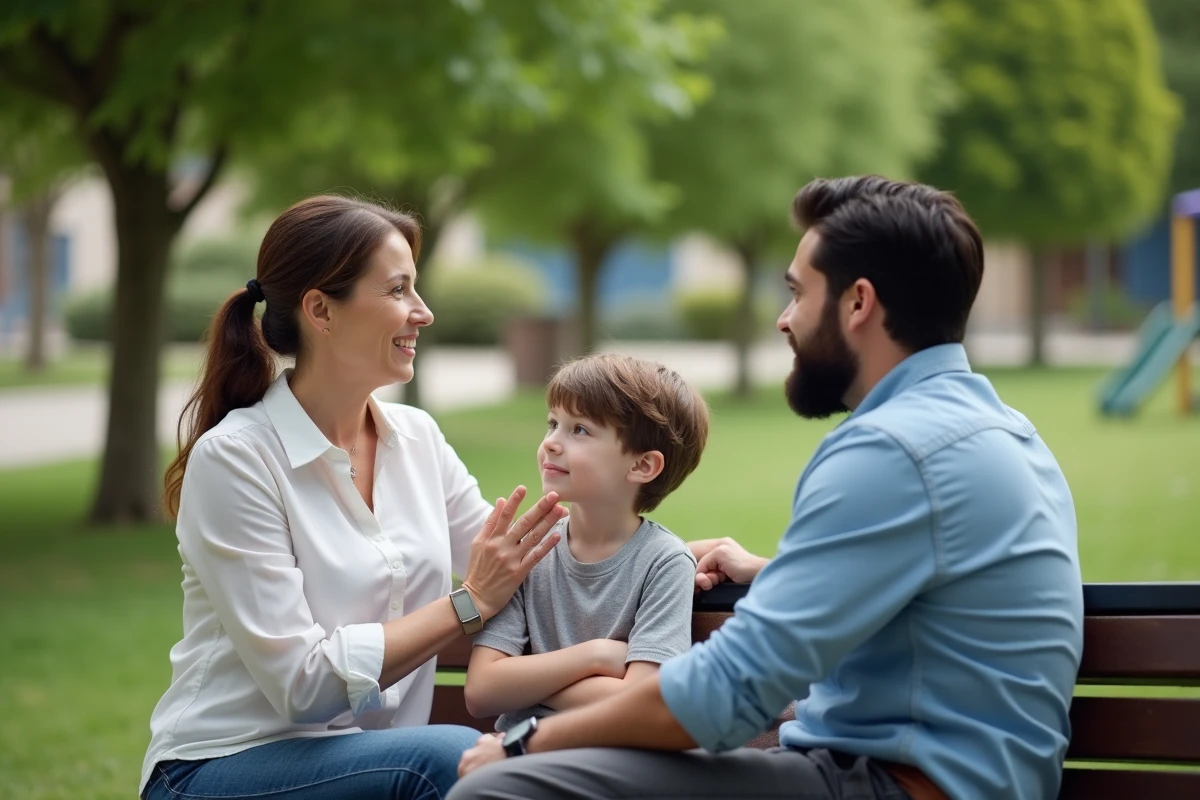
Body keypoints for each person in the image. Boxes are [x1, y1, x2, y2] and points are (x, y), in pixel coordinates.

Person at [450, 176, 1084, 800]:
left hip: (894, 783)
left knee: (501, 791)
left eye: (797, 293)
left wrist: (522, 744)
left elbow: (723, 695)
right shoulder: (1003, 430)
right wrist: (775, 573)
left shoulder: (891, 450)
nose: (784, 320)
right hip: (940, 776)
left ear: (858, 303)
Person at [140, 195, 567, 800]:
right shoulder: (236, 459)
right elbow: (304, 685)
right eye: (397, 291)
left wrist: (669, 556)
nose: (423, 313)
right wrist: (467, 603)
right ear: (321, 310)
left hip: (371, 764)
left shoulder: (416, 437)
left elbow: (525, 561)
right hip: (219, 768)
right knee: (452, 758)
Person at [464, 354, 709, 733]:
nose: (551, 444)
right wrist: (594, 656)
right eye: (553, 424)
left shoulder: (666, 562)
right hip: (514, 754)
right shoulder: (527, 552)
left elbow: (642, 703)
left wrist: (527, 685)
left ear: (642, 466)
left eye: (579, 430)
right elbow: (482, 690)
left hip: (606, 761)